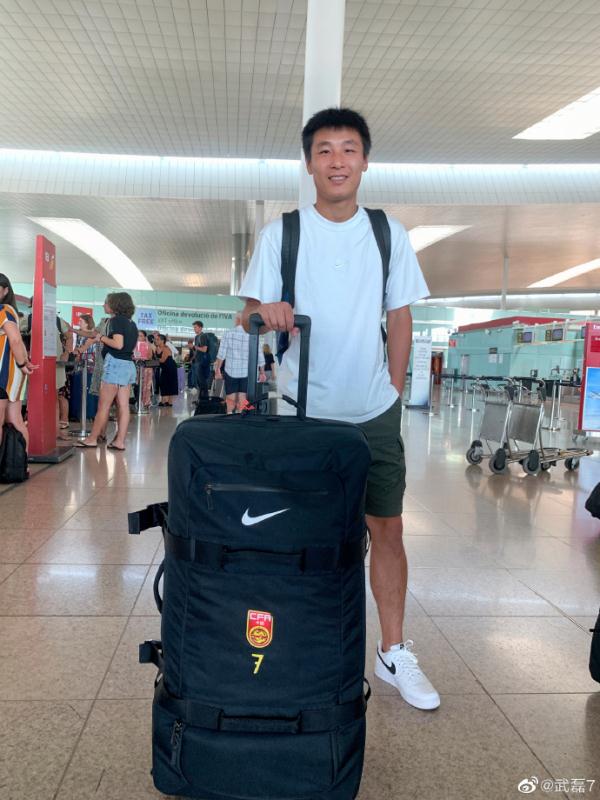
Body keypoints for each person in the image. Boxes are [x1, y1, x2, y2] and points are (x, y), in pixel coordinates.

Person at [239, 107, 439, 711]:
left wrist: (395, 389)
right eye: (324, 150)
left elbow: (399, 315)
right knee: (300, 530)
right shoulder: (283, 233)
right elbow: (246, 315)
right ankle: (296, 645)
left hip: (373, 410)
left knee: (388, 528)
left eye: (348, 149)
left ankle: (393, 651)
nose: (337, 161)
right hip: (302, 411)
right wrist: (264, 311)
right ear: (309, 164)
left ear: (365, 161)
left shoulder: (387, 233)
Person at [77, 292, 138, 451]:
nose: (104, 305)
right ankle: (120, 441)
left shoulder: (115, 321)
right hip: (128, 365)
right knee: (123, 406)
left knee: (103, 405)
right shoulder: (132, 323)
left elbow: (118, 344)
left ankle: (92, 439)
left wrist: (100, 337)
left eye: (106, 302)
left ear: (115, 305)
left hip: (115, 364)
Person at [0, 274, 36, 450]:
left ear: (6, 290)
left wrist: (23, 363)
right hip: (11, 373)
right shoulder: (9, 310)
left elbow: (15, 339)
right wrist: (24, 362)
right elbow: (17, 340)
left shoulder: (4, 310)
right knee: (14, 419)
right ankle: (22, 461)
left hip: (4, 374)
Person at [214, 314, 265, 414]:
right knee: (243, 398)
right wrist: (262, 372)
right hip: (246, 373)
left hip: (231, 372)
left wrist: (218, 369)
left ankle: (229, 415)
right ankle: (240, 417)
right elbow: (260, 355)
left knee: (230, 398)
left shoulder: (228, 333)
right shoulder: (252, 334)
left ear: (237, 320)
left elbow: (221, 354)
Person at [155, 334, 179, 407]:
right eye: (156, 339)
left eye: (158, 339)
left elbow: (162, 360)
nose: (156, 341)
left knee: (169, 383)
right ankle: (164, 401)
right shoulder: (157, 348)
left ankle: (169, 402)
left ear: (162, 341)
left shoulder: (166, 348)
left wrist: (154, 360)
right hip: (164, 367)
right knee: (163, 383)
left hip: (170, 367)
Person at [191, 320, 210, 398]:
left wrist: (195, 347)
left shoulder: (203, 336)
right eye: (194, 327)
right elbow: (197, 350)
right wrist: (193, 358)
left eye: (195, 327)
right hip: (198, 361)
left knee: (202, 381)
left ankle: (204, 399)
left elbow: (204, 349)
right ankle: (201, 399)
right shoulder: (196, 337)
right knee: (199, 381)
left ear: (200, 328)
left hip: (202, 361)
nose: (194, 329)